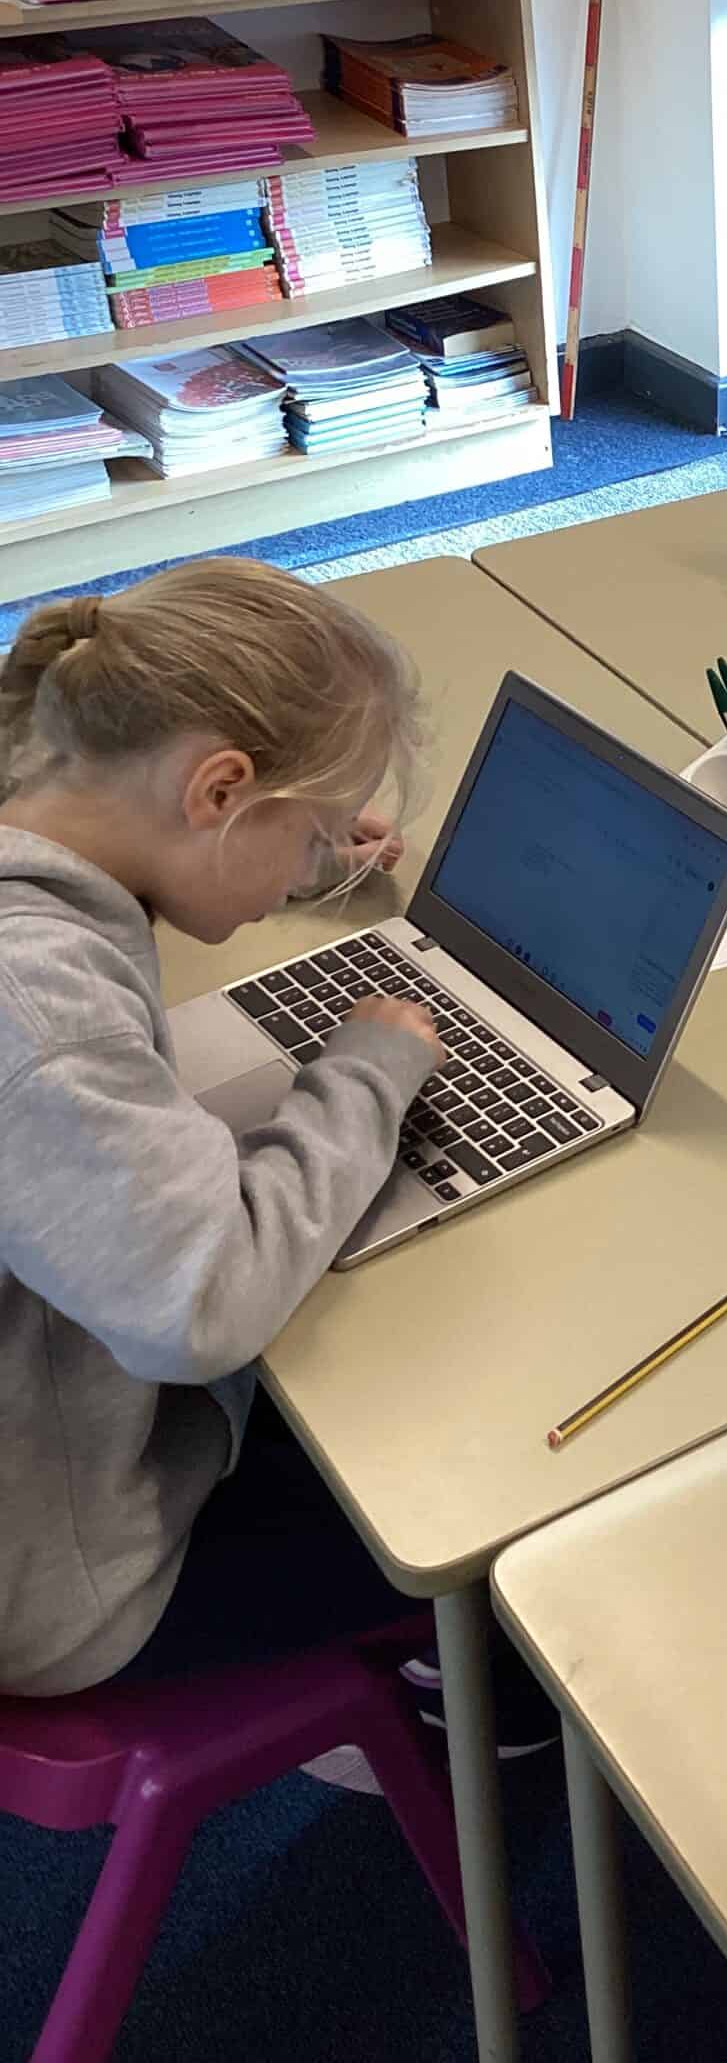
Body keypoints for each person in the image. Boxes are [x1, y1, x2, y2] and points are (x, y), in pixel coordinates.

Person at [0, 560, 441, 1703]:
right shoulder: (41, 1013)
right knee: (467, 1505)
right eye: (309, 829)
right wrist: (365, 1076)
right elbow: (204, 1304)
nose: (315, 856)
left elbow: (174, 837)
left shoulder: (46, 786)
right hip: (63, 1579)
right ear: (219, 790)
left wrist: (298, 854)